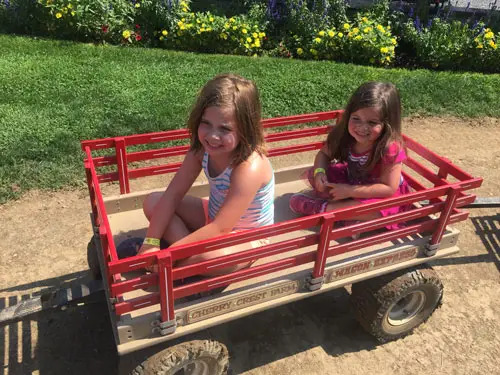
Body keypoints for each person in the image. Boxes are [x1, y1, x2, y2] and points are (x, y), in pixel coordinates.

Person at [137, 74, 274, 276]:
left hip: (245, 236)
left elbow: (221, 229)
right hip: (212, 215)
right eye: (206, 123)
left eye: (225, 128)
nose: (212, 136)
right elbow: (173, 194)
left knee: (215, 257)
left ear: (246, 129)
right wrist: (150, 241)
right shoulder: (201, 151)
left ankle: (172, 269)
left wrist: (169, 255)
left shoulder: (249, 167)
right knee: (154, 202)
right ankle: (183, 262)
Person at [289, 81, 410, 229]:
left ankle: (324, 209)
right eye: (356, 118)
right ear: (348, 115)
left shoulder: (390, 148)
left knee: (382, 211)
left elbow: (389, 189)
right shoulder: (344, 135)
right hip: (352, 180)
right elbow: (323, 155)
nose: (362, 127)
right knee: (321, 175)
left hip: (378, 193)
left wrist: (348, 191)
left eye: (372, 122)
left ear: (387, 124)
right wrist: (319, 173)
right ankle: (351, 218)